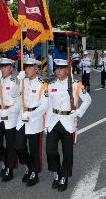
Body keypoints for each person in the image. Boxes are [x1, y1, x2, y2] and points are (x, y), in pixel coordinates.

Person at [45, 59, 92, 192]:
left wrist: (78, 112)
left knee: (67, 153)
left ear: (67, 70)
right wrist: (46, 125)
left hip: (68, 122)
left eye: (61, 69)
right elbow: (49, 107)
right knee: (50, 150)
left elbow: (87, 100)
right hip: (54, 121)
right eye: (56, 69)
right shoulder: (51, 85)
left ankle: (64, 176)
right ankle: (57, 172)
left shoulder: (76, 84)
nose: (58, 71)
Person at [15, 58, 48, 187]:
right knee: (19, 146)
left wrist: (31, 115)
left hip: (34, 120)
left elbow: (44, 106)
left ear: (37, 69)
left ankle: (34, 172)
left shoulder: (42, 85)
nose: (27, 69)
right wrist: (18, 80)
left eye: (29, 67)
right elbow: (13, 94)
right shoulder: (22, 81)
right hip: (21, 118)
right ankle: (28, 165)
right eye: (26, 67)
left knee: (34, 149)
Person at [0, 58, 21, 182]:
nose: (2, 69)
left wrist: (10, 112)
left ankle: (9, 169)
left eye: (5, 67)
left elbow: (18, 100)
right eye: (1, 66)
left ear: (11, 68)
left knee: (10, 145)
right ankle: (5, 160)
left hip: (11, 115)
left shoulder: (16, 82)